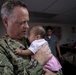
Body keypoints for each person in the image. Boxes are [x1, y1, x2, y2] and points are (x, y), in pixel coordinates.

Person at [0, 0, 59, 75]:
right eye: (22, 22)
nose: (27, 26)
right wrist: (38, 63)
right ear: (6, 22)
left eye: (27, 22)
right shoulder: (2, 48)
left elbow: (54, 63)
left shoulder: (33, 40)